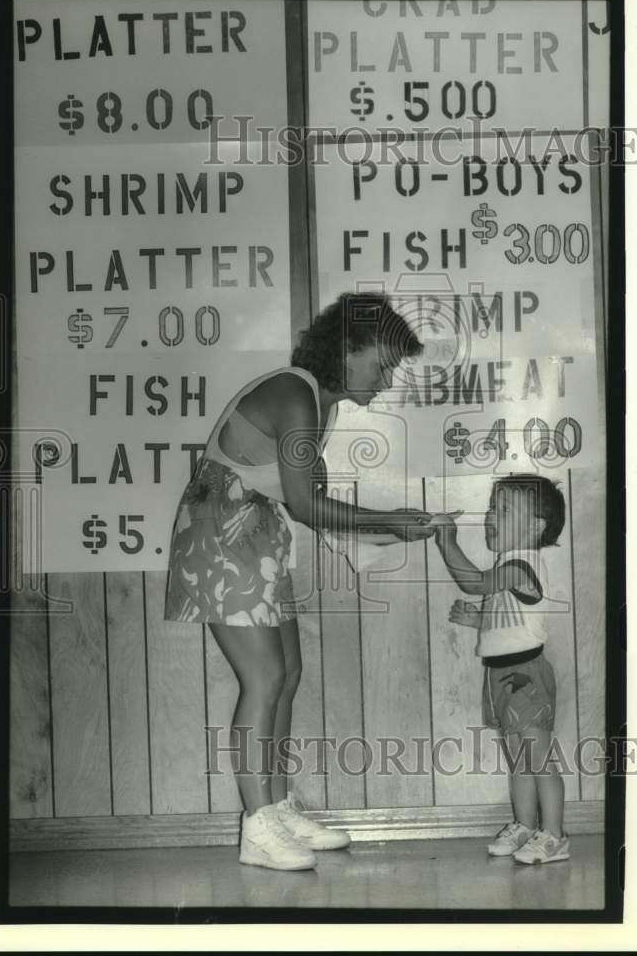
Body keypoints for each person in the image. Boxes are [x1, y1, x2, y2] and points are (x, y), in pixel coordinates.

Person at [164, 292, 435, 871]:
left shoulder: (320, 405)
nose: (386, 381)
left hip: (252, 530)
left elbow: (308, 498)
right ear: (347, 350)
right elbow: (307, 504)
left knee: (287, 672)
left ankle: (277, 807)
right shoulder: (294, 394)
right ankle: (257, 828)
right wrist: (388, 520)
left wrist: (383, 530)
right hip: (220, 531)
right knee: (263, 678)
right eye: (381, 364)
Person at [434, 474, 569, 865]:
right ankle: (526, 825)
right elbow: (513, 624)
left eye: (503, 509)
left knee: (537, 758)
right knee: (520, 759)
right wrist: (478, 621)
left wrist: (448, 542)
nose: (491, 514)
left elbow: (474, 582)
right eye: (492, 506)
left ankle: (555, 835)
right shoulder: (510, 567)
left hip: (525, 675)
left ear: (535, 526)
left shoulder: (520, 566)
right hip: (501, 675)